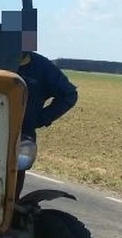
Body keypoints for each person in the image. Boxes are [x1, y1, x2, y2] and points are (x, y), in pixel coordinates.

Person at [15, 51, 78, 199]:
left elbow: (69, 94)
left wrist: (39, 118)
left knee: (11, 189)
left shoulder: (41, 67)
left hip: (19, 137)